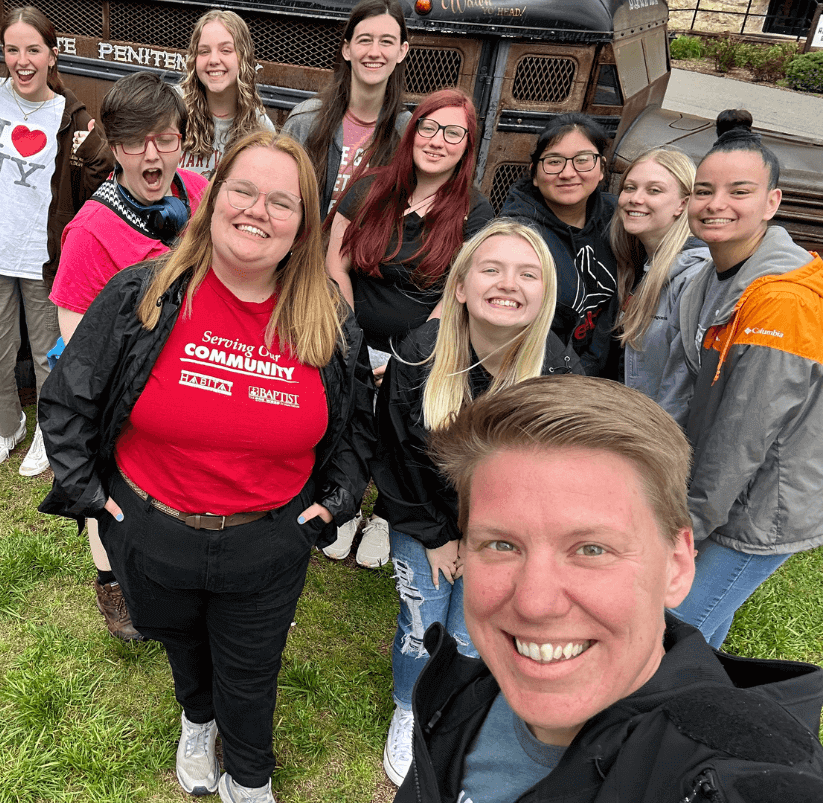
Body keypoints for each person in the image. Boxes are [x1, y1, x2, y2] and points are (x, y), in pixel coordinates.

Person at [39, 131, 375, 803]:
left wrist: (336, 500)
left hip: (267, 537)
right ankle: (197, 719)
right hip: (151, 524)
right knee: (182, 641)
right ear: (213, 197)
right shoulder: (147, 292)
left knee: (252, 666)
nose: (259, 211)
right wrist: (89, 496)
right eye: (244, 190)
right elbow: (70, 393)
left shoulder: (328, 318)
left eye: (282, 202)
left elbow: (355, 422)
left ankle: (249, 776)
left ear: (304, 225)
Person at [394, 375, 823, 803]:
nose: (534, 602)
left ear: (675, 567)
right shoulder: (459, 699)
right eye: (501, 544)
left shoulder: (737, 769)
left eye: (591, 549)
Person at [372, 219, 581, 786]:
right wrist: (438, 536)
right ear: (461, 287)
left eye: (526, 273)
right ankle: (409, 707)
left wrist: (490, 543)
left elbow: (557, 483)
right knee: (423, 624)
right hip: (426, 522)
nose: (507, 283)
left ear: (545, 294)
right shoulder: (418, 355)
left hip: (508, 536)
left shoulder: (557, 373)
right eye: (491, 268)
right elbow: (395, 456)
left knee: (474, 629)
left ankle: (455, 712)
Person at [49, 72, 209, 642]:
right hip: (123, 384)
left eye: (165, 138)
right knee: (111, 483)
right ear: (115, 147)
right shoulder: (93, 229)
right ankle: (109, 580)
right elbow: (74, 328)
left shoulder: (195, 192)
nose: (152, 154)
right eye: (137, 141)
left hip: (191, 373)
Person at [660, 111, 823, 649]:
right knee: (706, 622)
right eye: (704, 190)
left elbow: (741, 435)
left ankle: (655, 728)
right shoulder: (714, 273)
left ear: (772, 203)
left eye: (739, 191)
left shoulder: (780, 303)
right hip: (725, 497)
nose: (717, 204)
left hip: (756, 507)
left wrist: (686, 529)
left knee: (672, 633)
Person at [323, 88, 494, 566]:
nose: (438, 140)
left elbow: (455, 292)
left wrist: (413, 355)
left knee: (402, 435)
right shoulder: (371, 187)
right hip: (354, 336)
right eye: (429, 127)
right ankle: (346, 502)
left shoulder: (473, 211)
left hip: (422, 353)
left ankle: (384, 515)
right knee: (351, 424)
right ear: (412, 131)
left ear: (467, 144)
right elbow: (335, 263)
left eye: (453, 132)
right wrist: (351, 337)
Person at [0, 6, 110, 475]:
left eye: (33, 50)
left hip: (43, 261)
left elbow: (98, 180)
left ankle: (47, 430)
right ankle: (9, 426)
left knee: (50, 359)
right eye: (13, 49)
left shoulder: (71, 116)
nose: (22, 60)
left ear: (52, 55)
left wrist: (95, 154)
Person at [500, 113, 619, 377]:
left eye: (583, 160)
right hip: (538, 375)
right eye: (554, 162)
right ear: (534, 173)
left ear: (601, 168)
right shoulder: (517, 235)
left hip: (600, 374)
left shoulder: (617, 217)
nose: (568, 173)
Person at [282, 0, 412, 218]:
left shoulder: (409, 133)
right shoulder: (305, 121)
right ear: (347, 49)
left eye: (386, 42)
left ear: (402, 51)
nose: (374, 52)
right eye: (364, 40)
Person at [610, 146, 710, 401]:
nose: (635, 198)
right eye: (630, 188)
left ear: (683, 204)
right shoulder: (638, 264)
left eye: (654, 190)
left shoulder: (693, 278)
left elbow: (683, 385)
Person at [178, 9, 274, 179]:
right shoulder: (174, 111)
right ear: (194, 59)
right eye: (204, 51)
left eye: (226, 50)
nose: (214, 60)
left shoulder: (260, 127)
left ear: (243, 57)